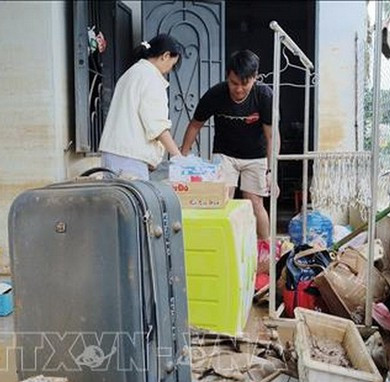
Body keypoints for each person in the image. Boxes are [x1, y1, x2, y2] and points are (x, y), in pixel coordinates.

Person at [180, 50, 279, 242]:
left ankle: (266, 247)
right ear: (228, 76)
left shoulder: (264, 96)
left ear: (255, 78)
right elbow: (195, 125)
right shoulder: (216, 94)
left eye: (245, 84)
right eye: (234, 83)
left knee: (255, 202)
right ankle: (221, 243)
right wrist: (181, 158)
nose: (239, 89)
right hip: (225, 154)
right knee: (222, 199)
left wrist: (271, 171)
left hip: (256, 156)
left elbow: (272, 136)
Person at [99, 35, 184, 180]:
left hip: (114, 153)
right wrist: (179, 158)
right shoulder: (151, 78)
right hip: (129, 158)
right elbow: (157, 126)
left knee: (116, 201)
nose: (169, 71)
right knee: (135, 202)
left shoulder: (132, 73)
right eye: (172, 65)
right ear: (165, 56)